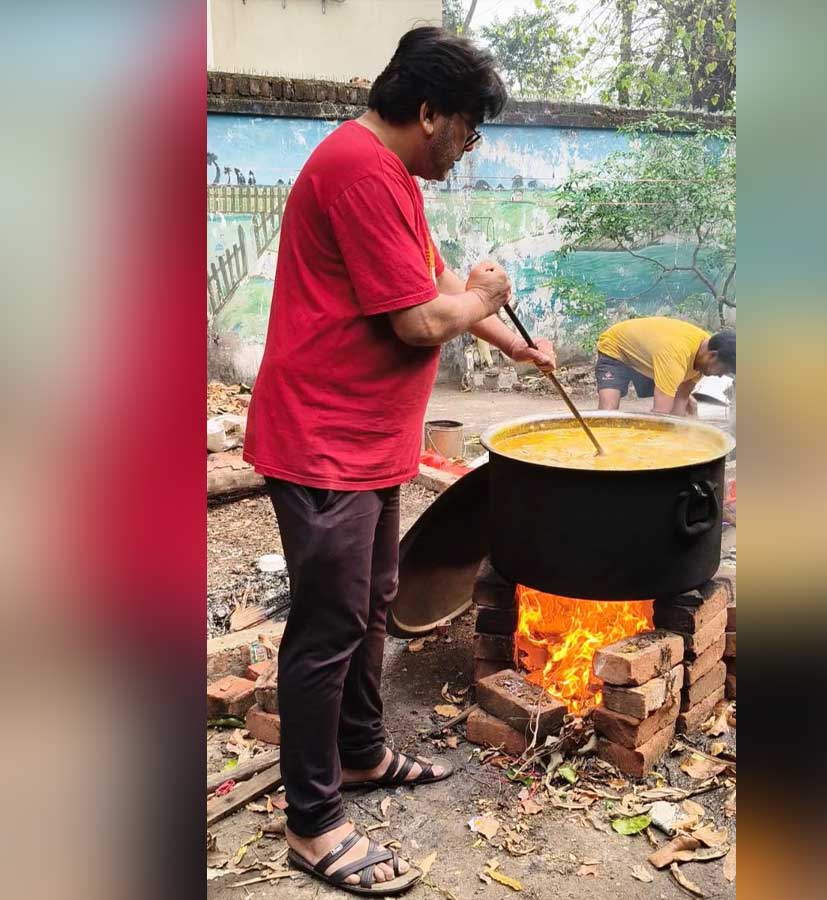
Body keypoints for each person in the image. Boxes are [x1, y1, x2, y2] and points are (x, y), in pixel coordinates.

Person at [243, 27, 555, 896]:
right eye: (468, 132)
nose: (466, 149)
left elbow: (437, 285)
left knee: (371, 604)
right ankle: (312, 823)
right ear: (429, 113)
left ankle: (360, 752)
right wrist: (486, 296)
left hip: (370, 443)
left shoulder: (390, 177)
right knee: (328, 628)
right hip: (324, 444)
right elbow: (418, 323)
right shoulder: (357, 170)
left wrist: (513, 343)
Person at [594, 316, 735, 417]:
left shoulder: (704, 356)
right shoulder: (676, 357)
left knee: (687, 407)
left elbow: (681, 398)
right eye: (723, 370)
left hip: (650, 357)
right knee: (608, 413)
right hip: (615, 348)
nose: (721, 376)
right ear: (713, 355)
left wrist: (682, 435)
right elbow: (660, 415)